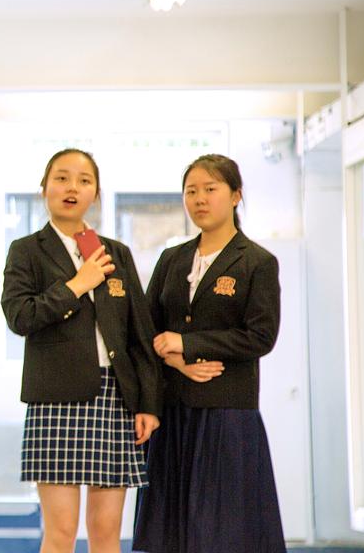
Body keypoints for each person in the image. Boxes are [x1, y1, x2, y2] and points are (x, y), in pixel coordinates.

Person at [1, 149, 161, 553]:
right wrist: (77, 284)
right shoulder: (27, 250)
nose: (72, 187)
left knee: (107, 531)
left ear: (96, 193)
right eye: (62, 178)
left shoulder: (115, 252)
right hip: (55, 397)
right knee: (61, 531)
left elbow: (139, 335)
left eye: (84, 180)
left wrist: (148, 404)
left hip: (115, 397)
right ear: (44, 188)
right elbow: (20, 316)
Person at [133, 154, 285, 552]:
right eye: (191, 191)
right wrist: (174, 359)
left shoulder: (257, 262)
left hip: (227, 415)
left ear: (235, 196)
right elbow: (146, 330)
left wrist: (189, 345)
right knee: (171, 534)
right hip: (172, 414)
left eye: (210, 189)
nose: (199, 199)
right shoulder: (172, 259)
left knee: (224, 533)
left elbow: (261, 336)